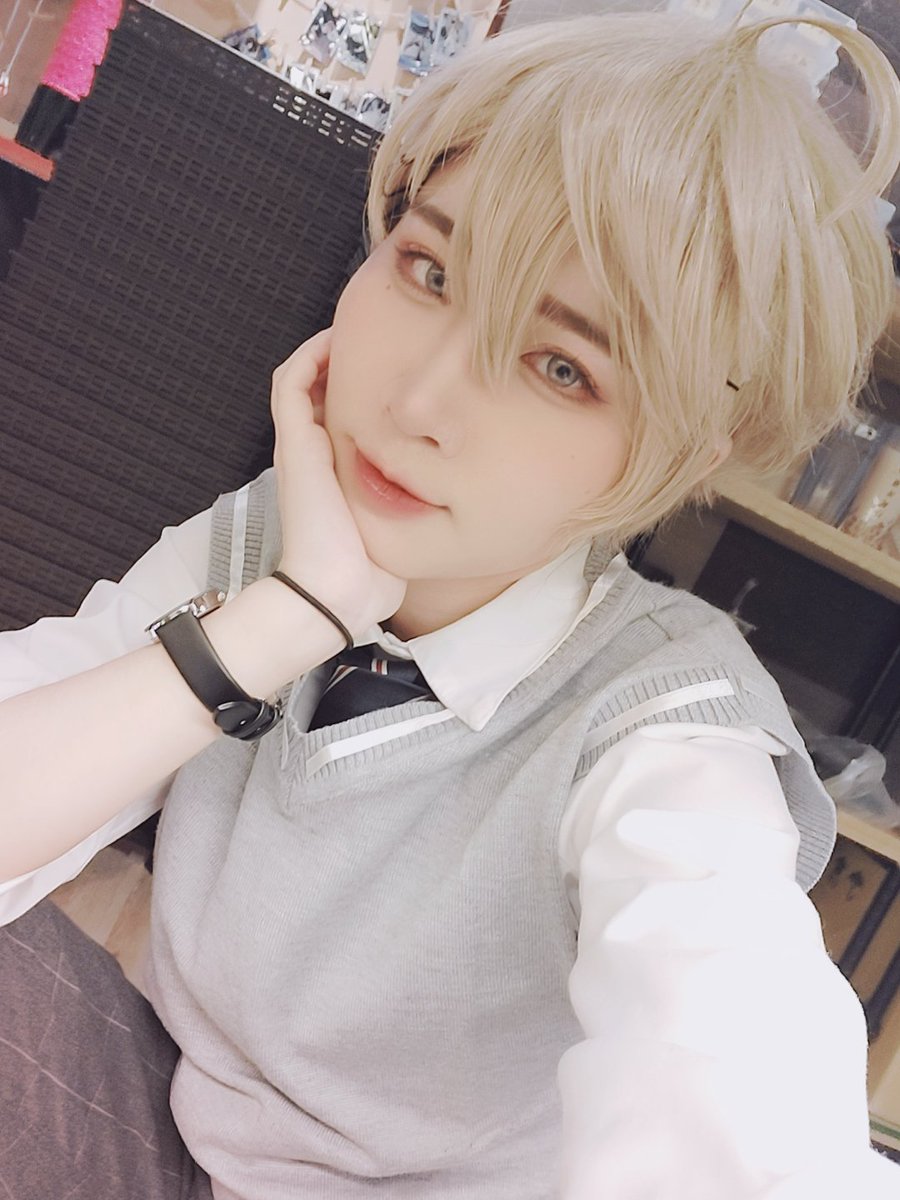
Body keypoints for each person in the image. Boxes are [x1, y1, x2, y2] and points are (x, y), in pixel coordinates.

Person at [1, 8, 899, 1199]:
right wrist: (297, 610)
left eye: (562, 366)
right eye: (430, 271)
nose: (420, 399)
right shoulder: (282, 535)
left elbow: (729, 1067)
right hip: (169, 1116)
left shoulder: (665, 731)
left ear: (683, 453)